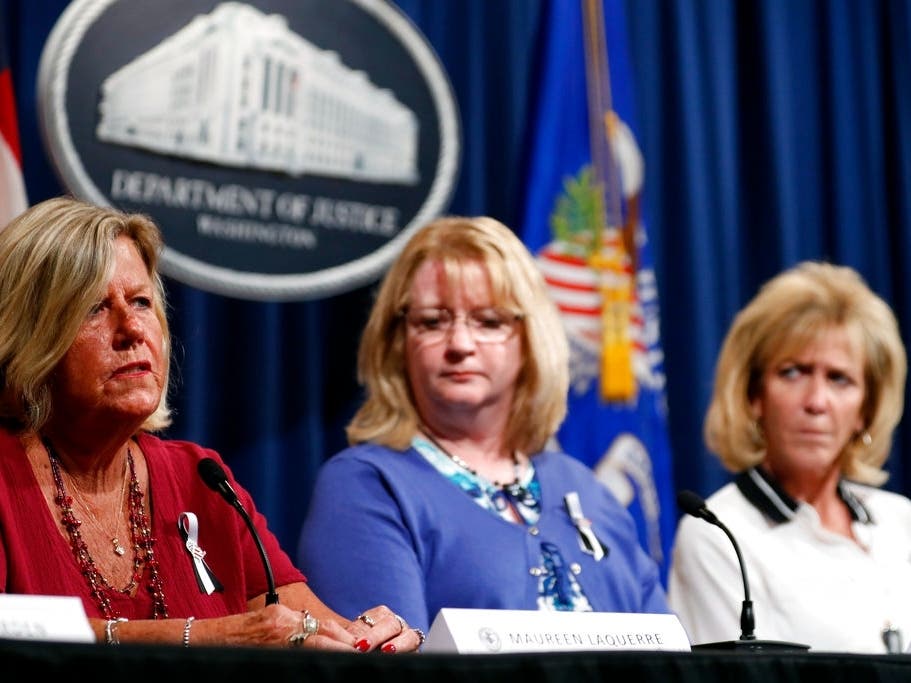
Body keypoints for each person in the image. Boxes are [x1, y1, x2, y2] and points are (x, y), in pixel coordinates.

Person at [0, 196, 421, 652]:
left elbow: (306, 626)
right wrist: (200, 636)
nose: (132, 329)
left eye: (141, 302)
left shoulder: (201, 481)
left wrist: (374, 639)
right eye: (93, 309)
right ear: (28, 334)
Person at [296, 215, 669, 636]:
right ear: (398, 342)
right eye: (433, 321)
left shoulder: (587, 491)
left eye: (489, 321)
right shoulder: (370, 486)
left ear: (530, 340)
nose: (460, 344)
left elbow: (673, 659)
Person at [667, 261, 911, 653]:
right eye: (793, 373)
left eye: (839, 379)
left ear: (866, 409)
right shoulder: (719, 534)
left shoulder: (901, 521)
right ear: (754, 395)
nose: (816, 402)